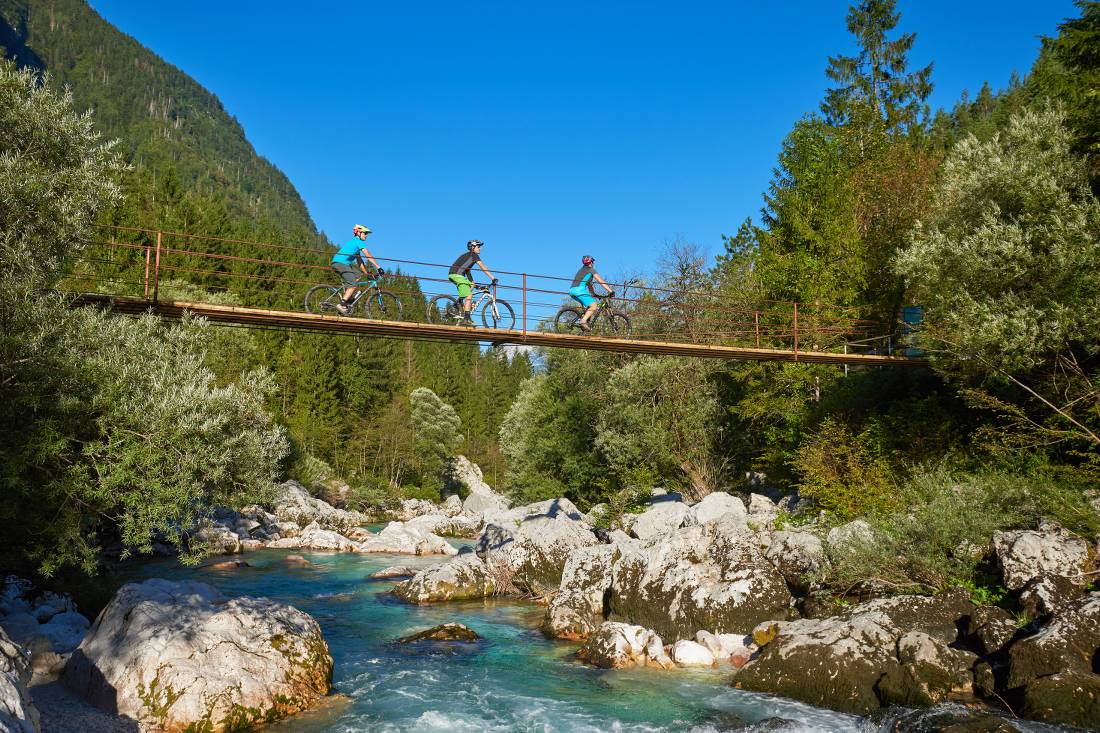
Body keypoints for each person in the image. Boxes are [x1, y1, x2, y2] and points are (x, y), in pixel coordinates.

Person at [331, 224, 384, 315]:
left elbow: (360, 262)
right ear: (358, 233)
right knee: (353, 284)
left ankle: (349, 296)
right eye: (365, 233)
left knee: (358, 275)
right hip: (341, 263)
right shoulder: (358, 241)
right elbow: (368, 255)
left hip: (342, 263)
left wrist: (367, 273)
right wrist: (378, 267)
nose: (366, 235)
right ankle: (342, 303)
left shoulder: (355, 244)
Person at [447, 239, 497, 324]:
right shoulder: (473, 255)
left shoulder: (469, 256)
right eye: (478, 247)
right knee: (469, 295)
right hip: (457, 275)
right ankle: (466, 318)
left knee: (471, 288)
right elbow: (482, 266)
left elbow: (467, 270)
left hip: (456, 275)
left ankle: (457, 303)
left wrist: (473, 283)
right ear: (473, 247)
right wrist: (492, 278)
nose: (480, 248)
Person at [568, 255, 613, 330]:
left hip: (572, 291)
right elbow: (601, 281)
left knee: (589, 306)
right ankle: (583, 321)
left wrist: (594, 294)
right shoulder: (591, 270)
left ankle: (584, 320)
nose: (593, 263)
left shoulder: (582, 270)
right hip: (579, 290)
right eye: (593, 262)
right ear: (591, 262)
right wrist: (610, 291)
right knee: (594, 306)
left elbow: (589, 285)